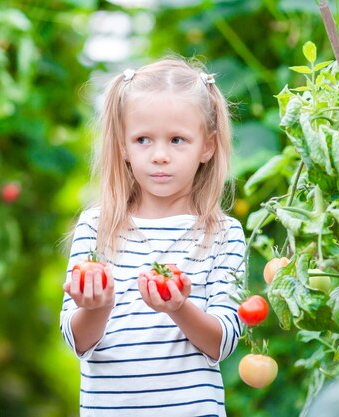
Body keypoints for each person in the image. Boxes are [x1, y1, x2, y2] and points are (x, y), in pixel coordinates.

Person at [60, 57, 246, 417]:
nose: (160, 156)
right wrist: (96, 307)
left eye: (178, 140)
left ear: (206, 146)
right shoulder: (97, 228)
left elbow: (221, 343)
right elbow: (78, 341)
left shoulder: (222, 234)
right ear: (124, 147)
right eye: (143, 140)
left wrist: (178, 307)